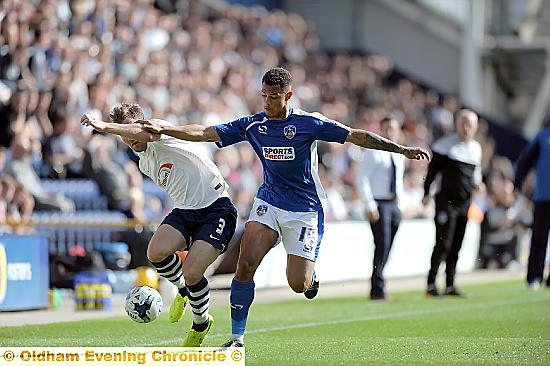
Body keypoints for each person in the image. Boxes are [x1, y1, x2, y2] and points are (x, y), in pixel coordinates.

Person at [141, 67, 430, 347]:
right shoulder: (254, 125)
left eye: (274, 97)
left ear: (288, 96)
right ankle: (237, 339)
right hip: (269, 201)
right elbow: (206, 132)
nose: (267, 102)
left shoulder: (308, 123)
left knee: (298, 284)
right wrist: (168, 128)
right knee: (245, 264)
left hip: (304, 209)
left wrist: (402, 150)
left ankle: (310, 275)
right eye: (264, 95)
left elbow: (356, 135)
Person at [80, 103, 238, 347]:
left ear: (142, 121)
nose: (129, 139)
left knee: (193, 270)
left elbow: (146, 134)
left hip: (217, 207)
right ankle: (184, 291)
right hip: (187, 211)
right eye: (124, 136)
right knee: (155, 252)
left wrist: (102, 126)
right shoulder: (144, 163)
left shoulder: (159, 130)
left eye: (129, 131)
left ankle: (200, 323)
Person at [422, 109, 483, 297]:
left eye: (470, 124)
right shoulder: (444, 146)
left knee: (457, 244)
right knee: (443, 242)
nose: (466, 127)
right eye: (463, 123)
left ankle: (450, 284)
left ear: (475, 127)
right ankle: (431, 284)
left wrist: (479, 184)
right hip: (445, 202)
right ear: (456, 124)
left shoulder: (475, 149)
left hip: (465, 203)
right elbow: (431, 173)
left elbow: (476, 174)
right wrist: (425, 194)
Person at [356, 116, 405, 301]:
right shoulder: (373, 152)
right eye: (387, 128)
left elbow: (398, 181)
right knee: (382, 245)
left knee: (387, 246)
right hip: (379, 203)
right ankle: (377, 287)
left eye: (393, 128)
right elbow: (362, 178)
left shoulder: (398, 153)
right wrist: (369, 204)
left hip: (393, 204)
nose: (390, 132)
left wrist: (401, 205)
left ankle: (379, 284)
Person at [514, 122, 550, 290]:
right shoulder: (543, 135)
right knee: (539, 239)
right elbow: (526, 159)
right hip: (544, 195)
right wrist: (518, 182)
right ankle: (534, 277)